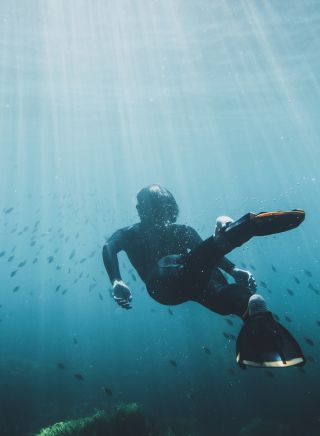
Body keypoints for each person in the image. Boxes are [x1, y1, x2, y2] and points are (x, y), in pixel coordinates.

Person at [103, 184, 306, 368]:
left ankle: (250, 310)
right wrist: (233, 269)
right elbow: (207, 255)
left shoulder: (130, 234)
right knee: (194, 268)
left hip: (169, 288)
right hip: (172, 280)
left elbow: (108, 248)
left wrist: (116, 280)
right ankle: (228, 236)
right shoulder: (174, 232)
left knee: (223, 300)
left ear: (140, 209)